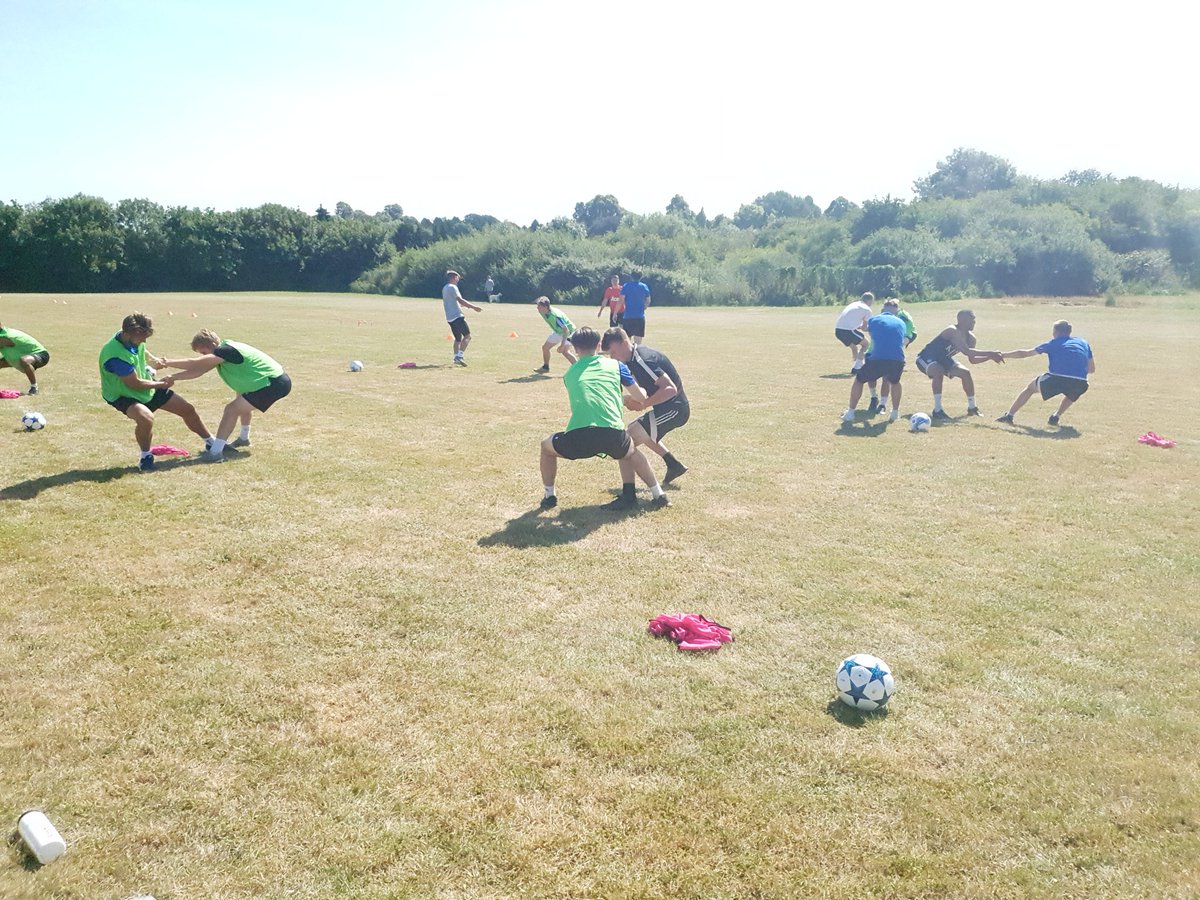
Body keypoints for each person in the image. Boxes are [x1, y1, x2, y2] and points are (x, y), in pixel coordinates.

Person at [539, 327, 668, 511]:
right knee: (631, 451)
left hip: (579, 436)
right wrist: (639, 394)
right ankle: (658, 494)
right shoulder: (617, 366)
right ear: (599, 345)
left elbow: (587, 389)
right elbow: (639, 397)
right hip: (612, 435)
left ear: (575, 349)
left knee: (546, 446)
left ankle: (549, 496)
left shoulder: (569, 375)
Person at [150, 329, 292, 461]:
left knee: (231, 409)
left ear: (213, 344)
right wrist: (173, 377)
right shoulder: (223, 351)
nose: (204, 357)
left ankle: (215, 453)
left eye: (204, 353)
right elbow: (199, 370)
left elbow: (194, 364)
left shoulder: (225, 350)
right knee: (241, 400)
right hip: (271, 381)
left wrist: (166, 362)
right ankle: (244, 438)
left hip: (274, 383)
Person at [98, 312, 213, 472]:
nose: (144, 340)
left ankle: (211, 443)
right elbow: (135, 383)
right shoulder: (115, 356)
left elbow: (142, 352)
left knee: (187, 409)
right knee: (146, 418)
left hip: (146, 388)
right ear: (126, 334)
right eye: (142, 337)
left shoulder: (130, 338)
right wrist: (160, 384)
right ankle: (145, 456)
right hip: (122, 394)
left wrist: (154, 361)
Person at [601, 327, 689, 484]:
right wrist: (634, 399)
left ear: (624, 343)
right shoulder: (631, 359)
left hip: (675, 409)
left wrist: (643, 404)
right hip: (666, 407)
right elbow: (649, 387)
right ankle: (673, 464)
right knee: (637, 430)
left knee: (626, 441)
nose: (613, 357)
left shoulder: (643, 359)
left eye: (613, 352)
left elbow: (670, 389)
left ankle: (632, 493)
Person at [995, 320, 1095, 426]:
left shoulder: (1053, 343)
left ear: (1056, 332)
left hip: (1057, 379)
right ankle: (1056, 417)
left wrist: (1003, 355)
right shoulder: (1083, 343)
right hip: (1082, 382)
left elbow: (1024, 353)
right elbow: (1091, 369)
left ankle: (1009, 415)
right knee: (1072, 393)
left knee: (1030, 388)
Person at [913, 309, 1004, 418]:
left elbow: (973, 360)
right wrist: (991, 353)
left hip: (944, 360)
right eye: (971, 319)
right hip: (927, 357)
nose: (974, 322)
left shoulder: (971, 338)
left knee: (966, 373)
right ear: (961, 320)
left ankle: (972, 408)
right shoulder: (952, 330)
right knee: (938, 371)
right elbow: (966, 351)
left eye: (974, 320)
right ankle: (938, 410)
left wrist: (990, 357)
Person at [842, 306, 908, 424]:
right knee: (895, 382)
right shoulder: (901, 322)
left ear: (882, 311)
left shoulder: (874, 319)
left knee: (859, 380)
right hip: (898, 358)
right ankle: (895, 412)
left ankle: (850, 413)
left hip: (878, 357)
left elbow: (867, 330)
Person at [870, 298, 916, 413]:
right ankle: (873, 397)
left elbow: (908, 334)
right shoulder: (878, 319)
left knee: (887, 378)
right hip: (873, 351)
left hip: (891, 353)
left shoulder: (902, 319)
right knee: (870, 378)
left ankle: (882, 404)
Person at [443, 270, 482, 366]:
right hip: (457, 316)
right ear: (453, 277)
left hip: (450, 318)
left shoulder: (445, 288)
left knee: (458, 339)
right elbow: (460, 300)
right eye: (457, 278)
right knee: (467, 336)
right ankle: (459, 356)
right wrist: (474, 307)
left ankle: (456, 357)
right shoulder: (453, 287)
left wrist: (462, 306)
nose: (458, 280)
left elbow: (453, 302)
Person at [0, 320, 49, 394]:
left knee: (24, 361)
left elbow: (4, 343)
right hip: (19, 355)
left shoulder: (6, 335)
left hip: (41, 354)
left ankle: (34, 387)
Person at [534, 297, 578, 373]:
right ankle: (546, 367)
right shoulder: (543, 311)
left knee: (565, 351)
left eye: (539, 306)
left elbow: (566, 330)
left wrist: (562, 345)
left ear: (545, 307)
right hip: (558, 331)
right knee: (545, 348)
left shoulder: (556, 316)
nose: (537, 308)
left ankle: (578, 369)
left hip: (569, 332)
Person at [834, 292, 873, 370]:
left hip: (838, 330)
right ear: (870, 301)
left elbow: (850, 319)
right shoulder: (867, 309)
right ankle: (857, 367)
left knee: (854, 347)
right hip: (847, 330)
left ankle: (856, 364)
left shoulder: (853, 304)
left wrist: (859, 326)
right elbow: (864, 328)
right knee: (866, 344)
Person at [619, 272, 652, 345]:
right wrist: (644, 307)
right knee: (638, 341)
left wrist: (615, 313)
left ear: (631, 276)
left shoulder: (626, 286)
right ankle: (637, 354)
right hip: (639, 316)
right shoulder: (644, 286)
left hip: (628, 316)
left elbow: (621, 300)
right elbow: (648, 300)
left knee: (627, 340)